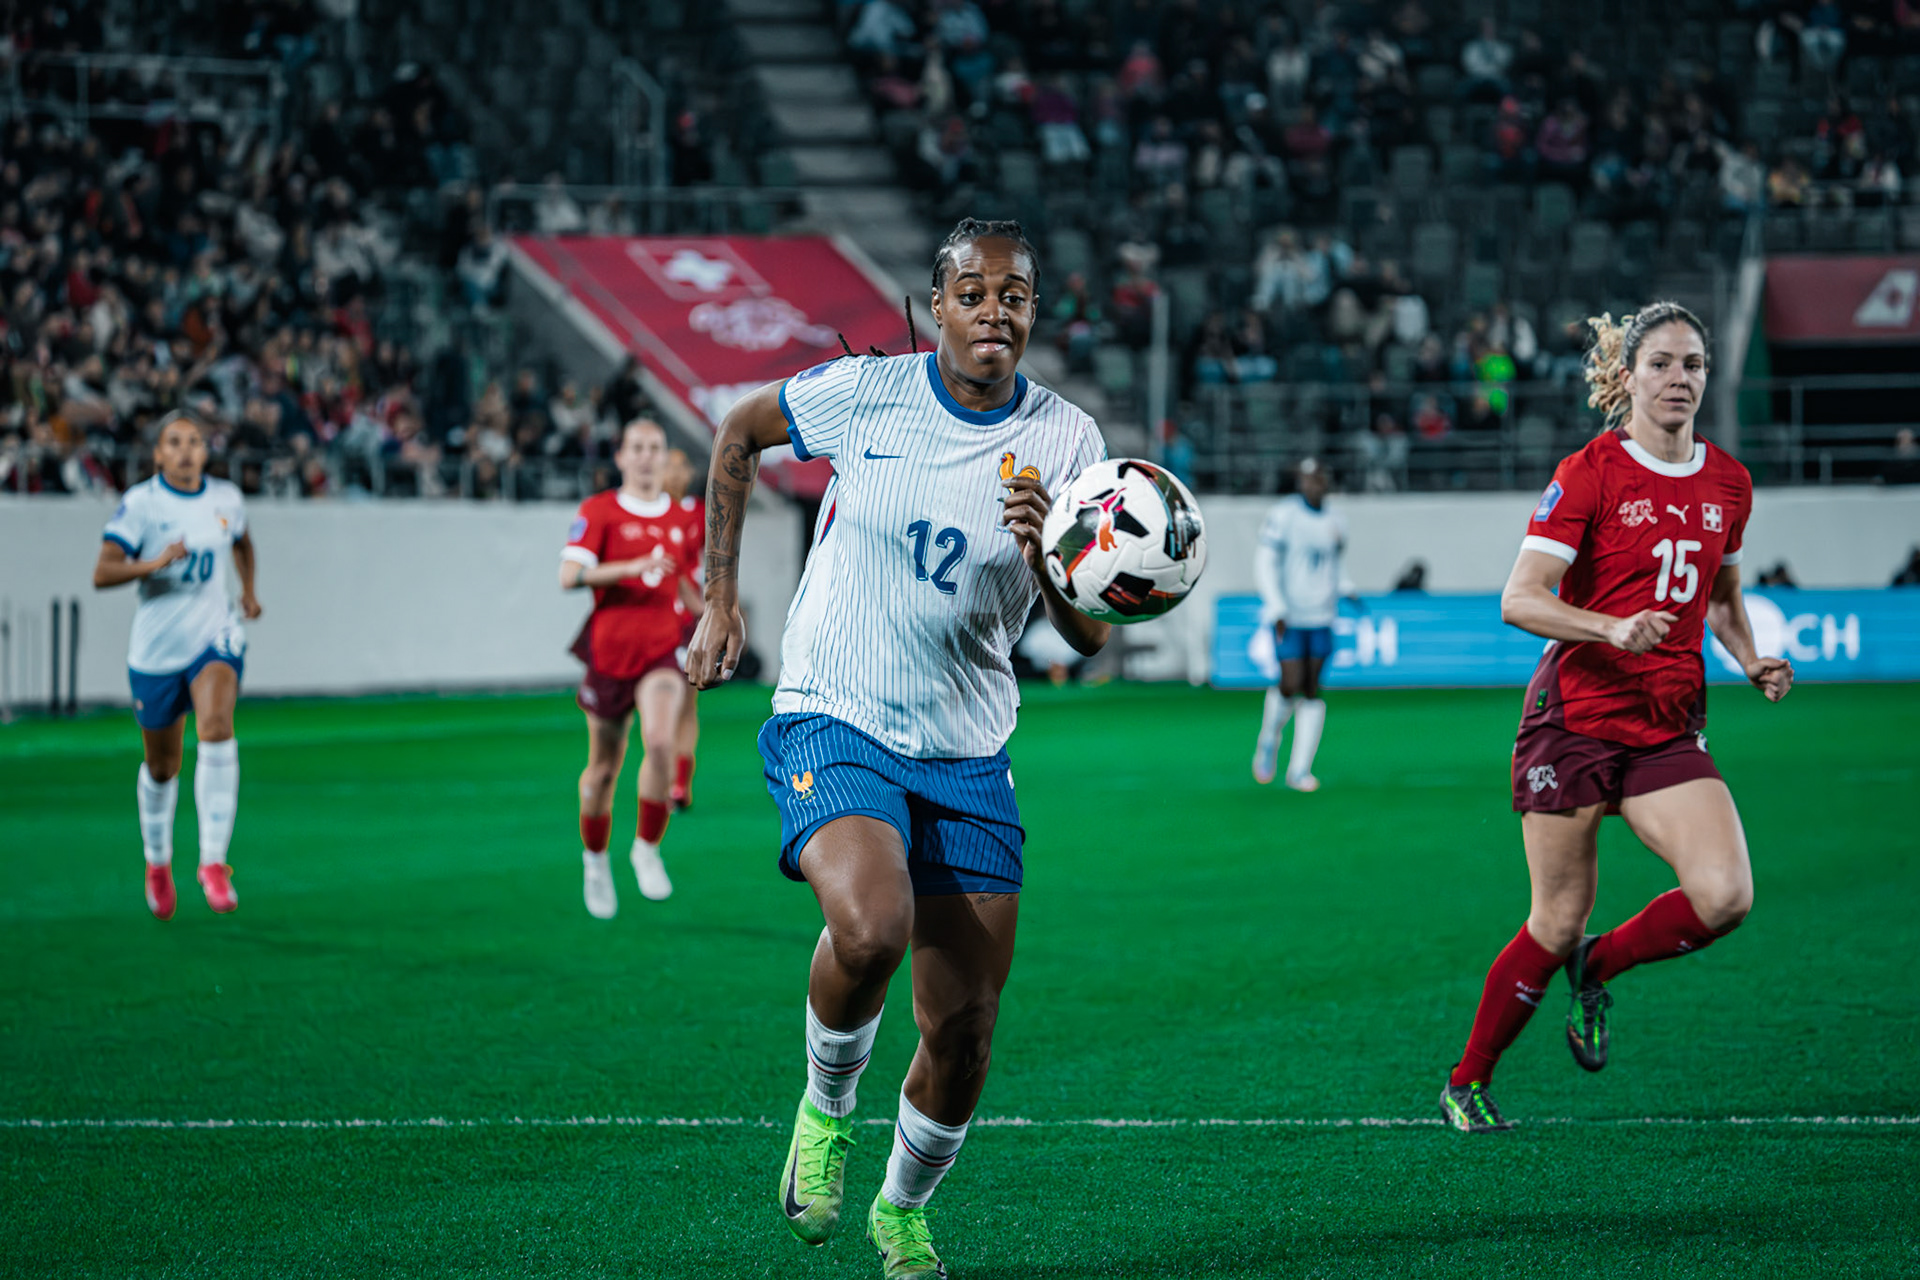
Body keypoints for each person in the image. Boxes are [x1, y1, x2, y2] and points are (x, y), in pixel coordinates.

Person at [686, 218, 1108, 1280]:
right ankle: (824, 1114)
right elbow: (737, 431)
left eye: (1015, 296)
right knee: (871, 928)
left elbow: (1091, 633)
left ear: (1033, 311)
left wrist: (1045, 550)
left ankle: (901, 1211)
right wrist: (718, 599)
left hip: (968, 749)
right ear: (937, 304)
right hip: (837, 708)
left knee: (964, 1030)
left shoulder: (1069, 443)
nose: (995, 313)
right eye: (975, 294)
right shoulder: (866, 392)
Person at [1440, 303, 1794, 1133]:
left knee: (1725, 896)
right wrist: (1608, 627)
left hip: (1667, 719)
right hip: (1575, 720)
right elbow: (1519, 598)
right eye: (1663, 364)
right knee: (1556, 919)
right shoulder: (1591, 470)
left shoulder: (1729, 482)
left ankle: (1599, 967)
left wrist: (1750, 659)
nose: (1679, 379)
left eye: (1694, 365)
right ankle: (1468, 1080)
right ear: (1627, 376)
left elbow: (1724, 597)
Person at [93, 411, 261, 920]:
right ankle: (158, 861)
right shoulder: (142, 504)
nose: (187, 450)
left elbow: (243, 542)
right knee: (163, 766)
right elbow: (103, 572)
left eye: (195, 441)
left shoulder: (226, 499)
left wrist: (248, 591)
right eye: (175, 442)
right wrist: (152, 564)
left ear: (206, 452)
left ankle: (213, 861)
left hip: (214, 636)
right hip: (157, 649)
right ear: (159, 455)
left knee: (215, 725)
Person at [558, 418, 702, 919]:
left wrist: (716, 616)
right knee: (601, 773)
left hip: (661, 651)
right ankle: (595, 860)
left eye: (654, 448)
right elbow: (569, 576)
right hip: (608, 654)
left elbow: (687, 585)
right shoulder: (599, 510)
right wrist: (631, 567)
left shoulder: (680, 519)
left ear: (665, 458)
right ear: (620, 457)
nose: (645, 456)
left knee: (660, 741)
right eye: (635, 447)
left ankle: (646, 847)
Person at [1251, 458, 1356, 792]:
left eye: (1319, 478)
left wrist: (1346, 588)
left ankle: (1300, 769)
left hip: (1322, 615)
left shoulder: (1336, 520)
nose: (1314, 484)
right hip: (1290, 614)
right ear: (1300, 482)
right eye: (1308, 478)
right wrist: (1276, 604)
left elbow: (1332, 566)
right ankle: (1270, 737)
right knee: (1289, 681)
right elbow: (1265, 563)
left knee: (1312, 687)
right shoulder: (1283, 516)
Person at [661, 447, 705, 811]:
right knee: (662, 703)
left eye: (680, 464)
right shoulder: (651, 512)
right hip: (657, 618)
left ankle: (679, 784)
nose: (675, 472)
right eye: (668, 465)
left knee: (686, 702)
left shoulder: (697, 512)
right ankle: (663, 774)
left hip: (688, 620)